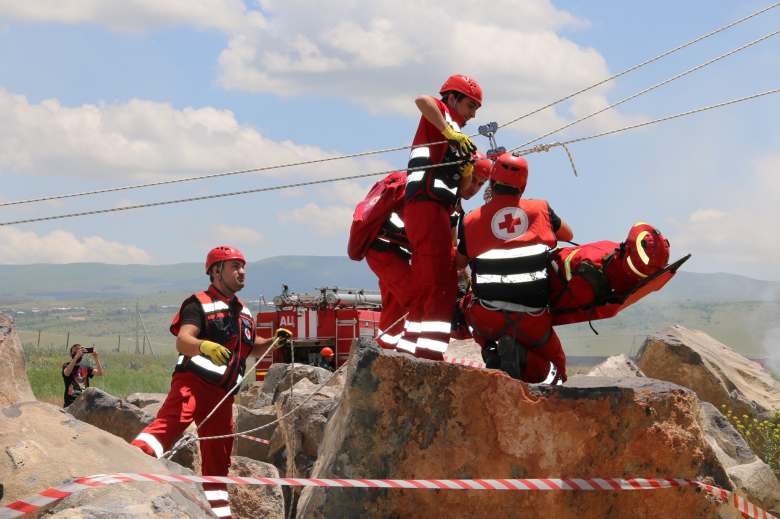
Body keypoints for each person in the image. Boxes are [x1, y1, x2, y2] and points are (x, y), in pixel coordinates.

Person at [131, 246, 292, 519]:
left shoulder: (244, 313)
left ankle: (219, 512)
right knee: (172, 422)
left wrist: (272, 342)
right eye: (235, 267)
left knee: (219, 454)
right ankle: (130, 465)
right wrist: (203, 345)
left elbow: (249, 349)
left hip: (223, 395)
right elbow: (183, 340)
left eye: (243, 267)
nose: (242, 272)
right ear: (216, 271)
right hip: (193, 382)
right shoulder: (198, 303)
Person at [456, 153, 573, 384]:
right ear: (524, 185)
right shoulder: (541, 209)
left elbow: (459, 264)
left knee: (468, 306)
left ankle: (491, 350)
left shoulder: (470, 220)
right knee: (558, 372)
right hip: (532, 318)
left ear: (491, 183)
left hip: (487, 316)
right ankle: (520, 356)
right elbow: (569, 235)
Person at [398, 74, 484, 360]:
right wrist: (450, 132)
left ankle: (411, 353)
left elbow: (465, 193)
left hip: (437, 211)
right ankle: (428, 358)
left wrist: (477, 174)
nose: (472, 115)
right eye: (470, 106)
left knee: (431, 282)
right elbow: (422, 101)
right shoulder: (441, 115)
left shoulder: (461, 143)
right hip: (426, 207)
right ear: (452, 98)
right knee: (439, 283)